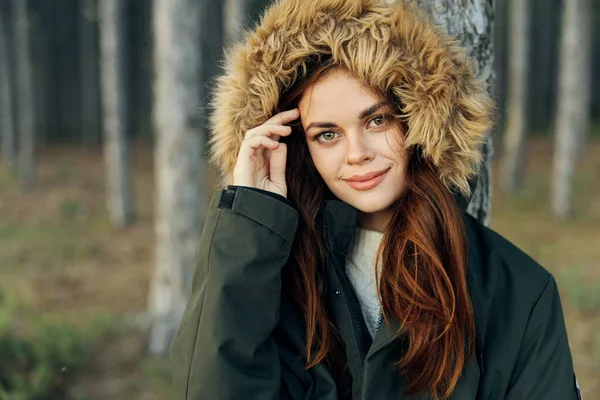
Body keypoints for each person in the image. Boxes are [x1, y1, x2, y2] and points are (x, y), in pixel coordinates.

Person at [169, 0, 583, 399]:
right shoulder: (267, 274)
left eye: (378, 119)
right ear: (299, 147)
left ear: (420, 120)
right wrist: (250, 214)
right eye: (327, 134)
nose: (357, 153)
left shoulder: (517, 289)